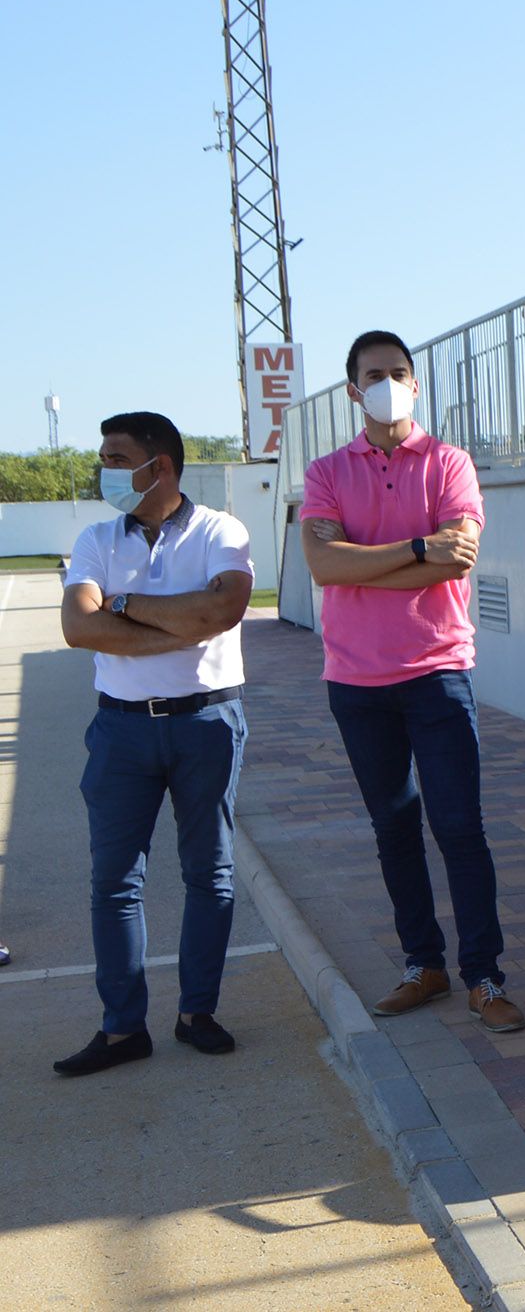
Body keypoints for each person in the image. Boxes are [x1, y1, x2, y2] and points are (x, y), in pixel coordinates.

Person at [300, 331, 525, 1034]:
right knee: (393, 827)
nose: (387, 383)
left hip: (437, 674)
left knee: (459, 827)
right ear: (352, 390)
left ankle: (483, 977)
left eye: (398, 373)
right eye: (374, 375)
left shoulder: (450, 463)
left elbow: (458, 560)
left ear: (416, 384)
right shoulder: (327, 470)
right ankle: (421, 965)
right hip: (356, 682)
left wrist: (368, 560)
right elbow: (324, 568)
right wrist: (418, 548)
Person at [54, 413, 253, 1077]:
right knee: (114, 881)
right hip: (122, 730)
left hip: (206, 725)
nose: (103, 468)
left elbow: (222, 611)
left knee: (211, 875)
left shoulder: (221, 531)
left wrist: (127, 603)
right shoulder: (95, 539)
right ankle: (122, 1030)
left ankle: (197, 1013)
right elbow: (80, 628)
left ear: (158, 466)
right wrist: (179, 624)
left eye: (115, 457)